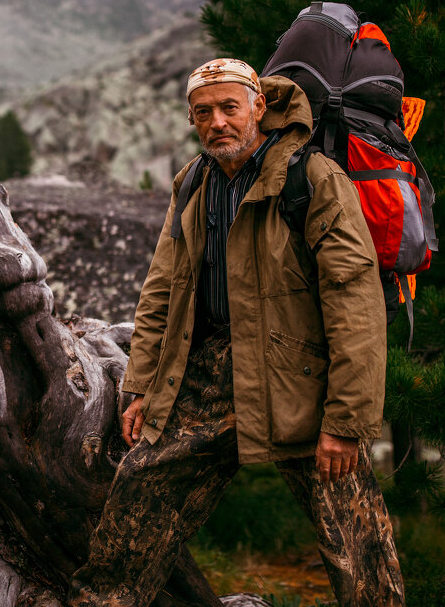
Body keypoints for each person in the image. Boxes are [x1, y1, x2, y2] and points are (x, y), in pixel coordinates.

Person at [71, 59, 405, 607]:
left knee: (356, 543)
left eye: (230, 107)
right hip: (210, 371)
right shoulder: (195, 182)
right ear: (191, 119)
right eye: (204, 112)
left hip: (303, 377)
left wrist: (347, 418)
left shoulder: (313, 177)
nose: (218, 122)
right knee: (140, 493)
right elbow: (163, 290)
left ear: (258, 107)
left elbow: (354, 301)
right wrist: (141, 388)